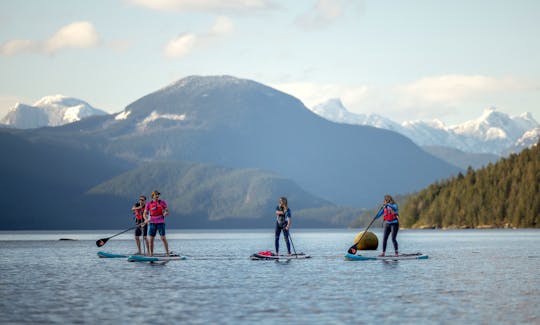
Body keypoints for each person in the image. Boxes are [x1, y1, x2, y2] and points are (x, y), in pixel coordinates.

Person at [143, 190, 170, 257]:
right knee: (151, 239)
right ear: (153, 196)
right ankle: (151, 254)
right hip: (152, 223)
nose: (157, 196)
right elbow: (144, 214)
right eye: (156, 194)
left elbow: (167, 211)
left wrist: (166, 213)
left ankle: (167, 253)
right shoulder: (148, 204)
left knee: (163, 238)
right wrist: (146, 219)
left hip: (160, 222)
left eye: (158, 194)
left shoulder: (162, 202)